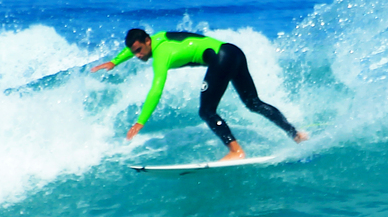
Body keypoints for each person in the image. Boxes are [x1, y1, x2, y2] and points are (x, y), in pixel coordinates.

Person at [91, 28, 307, 160]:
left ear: (147, 42)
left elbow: (156, 88)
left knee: (206, 111)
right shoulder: (157, 37)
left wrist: (141, 121)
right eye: (134, 52)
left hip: (221, 58)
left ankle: (236, 151)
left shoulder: (162, 54)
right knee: (253, 103)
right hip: (233, 51)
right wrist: (115, 62)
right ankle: (295, 134)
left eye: (139, 51)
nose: (138, 56)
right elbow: (130, 49)